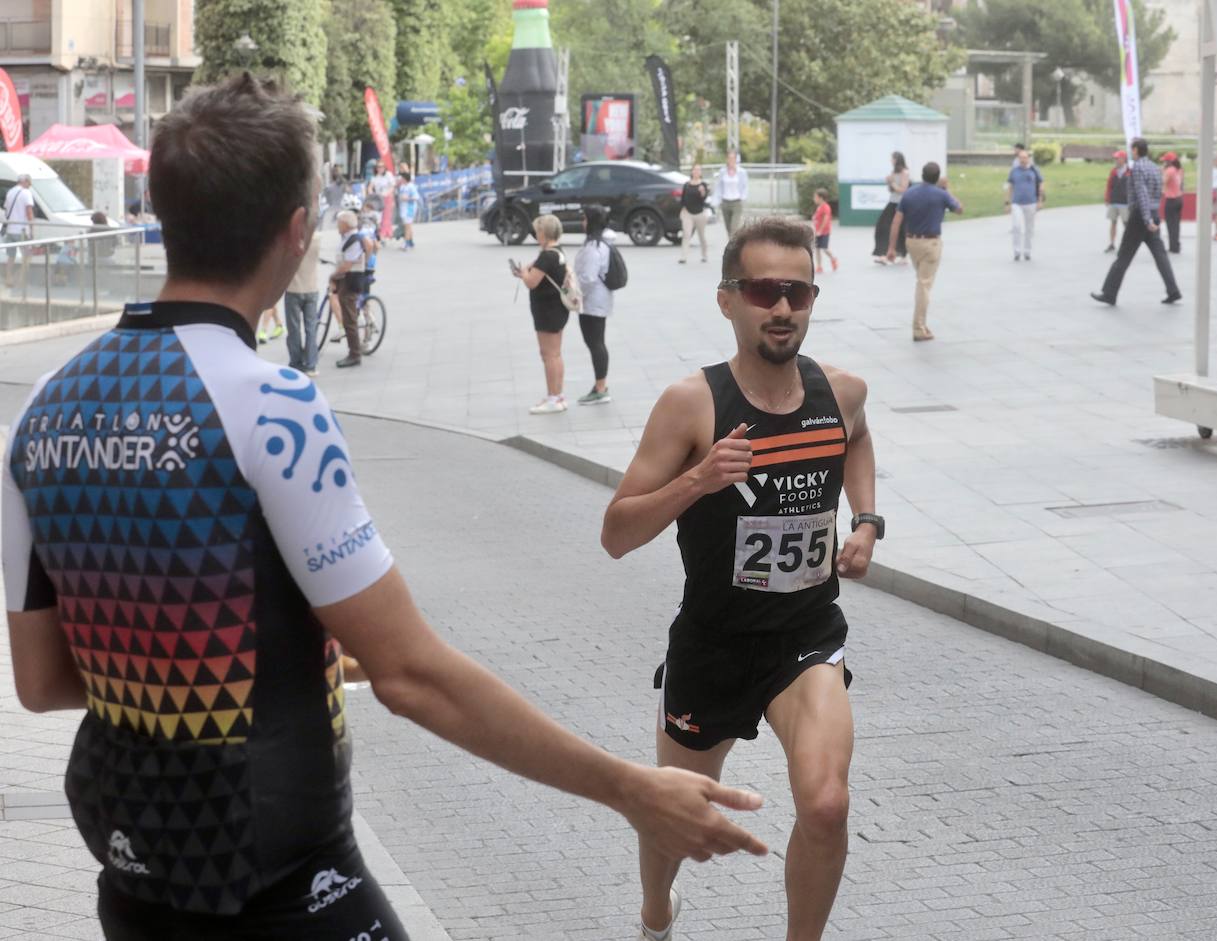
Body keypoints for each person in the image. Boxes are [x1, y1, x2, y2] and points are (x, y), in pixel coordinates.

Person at [1, 73, 766, 941]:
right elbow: (410, 675)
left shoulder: (42, 410)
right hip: (282, 875)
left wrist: (254, 660)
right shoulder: (273, 404)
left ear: (165, 212)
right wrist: (631, 787)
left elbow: (43, 681)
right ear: (296, 234)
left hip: (134, 872)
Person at [601, 216, 879, 941]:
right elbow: (617, 533)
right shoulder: (692, 403)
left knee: (825, 803)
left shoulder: (841, 391)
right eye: (763, 290)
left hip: (806, 634)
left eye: (798, 291)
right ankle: (656, 913)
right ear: (728, 300)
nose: (782, 307)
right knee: (674, 814)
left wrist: (868, 520)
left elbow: (859, 436)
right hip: (714, 642)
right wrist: (698, 479)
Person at [1092, 137, 1182, 307]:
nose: (1129, 152)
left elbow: (1141, 194)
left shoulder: (1138, 168)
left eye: (1131, 149)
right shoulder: (1155, 168)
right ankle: (1173, 290)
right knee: (1160, 255)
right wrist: (1153, 216)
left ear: (1135, 150)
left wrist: (1146, 218)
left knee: (1123, 256)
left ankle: (1109, 293)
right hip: (1153, 213)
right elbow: (1157, 193)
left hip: (1141, 216)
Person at [886, 161, 963, 341]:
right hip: (931, 244)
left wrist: (891, 247)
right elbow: (960, 209)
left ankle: (922, 324)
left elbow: (896, 221)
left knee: (922, 281)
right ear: (937, 177)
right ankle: (918, 328)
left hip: (911, 242)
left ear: (922, 174)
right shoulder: (941, 194)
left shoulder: (909, 194)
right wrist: (947, 189)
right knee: (924, 284)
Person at [513, 214, 574, 414]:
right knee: (555, 354)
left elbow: (532, 282)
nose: (535, 235)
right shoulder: (557, 252)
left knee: (548, 355)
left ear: (544, 233)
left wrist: (523, 275)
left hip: (547, 311)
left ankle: (552, 398)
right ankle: (558, 396)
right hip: (557, 309)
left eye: (537, 232)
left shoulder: (547, 256)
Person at [574, 206, 616, 405]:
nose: (582, 222)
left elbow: (588, 279)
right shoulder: (601, 243)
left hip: (592, 303)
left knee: (596, 343)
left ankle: (601, 388)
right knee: (596, 342)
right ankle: (600, 385)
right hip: (598, 301)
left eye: (584, 219)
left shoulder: (594, 247)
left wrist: (575, 294)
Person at [330, 208, 372, 368]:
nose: (337, 226)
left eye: (339, 223)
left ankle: (354, 354)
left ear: (346, 224)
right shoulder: (351, 237)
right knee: (349, 317)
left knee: (349, 319)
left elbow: (347, 264)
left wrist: (334, 275)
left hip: (350, 281)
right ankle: (353, 352)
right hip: (348, 280)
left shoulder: (354, 239)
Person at [284, 226, 323, 376]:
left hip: (293, 289)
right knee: (311, 328)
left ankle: (296, 363)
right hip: (312, 288)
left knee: (294, 329)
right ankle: (311, 364)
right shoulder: (317, 239)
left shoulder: (290, 242)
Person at [1005, 148, 1044, 262]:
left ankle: (1027, 251)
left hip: (1031, 203)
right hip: (1017, 203)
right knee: (1016, 226)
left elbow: (1040, 185)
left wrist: (1040, 201)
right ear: (1018, 159)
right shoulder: (1014, 171)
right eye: (1021, 157)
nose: (1023, 160)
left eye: (1025, 157)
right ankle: (1017, 251)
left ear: (1028, 159)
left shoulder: (1034, 170)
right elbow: (1010, 187)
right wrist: (1007, 202)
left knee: (1029, 228)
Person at [872, 152, 909, 265]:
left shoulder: (904, 172)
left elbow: (903, 189)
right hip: (892, 202)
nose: (891, 161)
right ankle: (883, 253)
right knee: (882, 227)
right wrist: (889, 183)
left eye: (892, 159)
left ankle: (902, 255)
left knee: (901, 230)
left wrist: (892, 182)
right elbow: (892, 190)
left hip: (901, 204)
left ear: (897, 159)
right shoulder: (893, 172)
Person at [2, 173, 34, 290]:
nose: (29, 186)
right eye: (29, 183)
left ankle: (8, 279)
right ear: (24, 181)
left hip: (10, 229)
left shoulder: (10, 192)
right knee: (28, 256)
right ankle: (21, 281)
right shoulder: (26, 193)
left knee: (11, 256)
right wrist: (32, 229)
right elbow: (29, 212)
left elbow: (6, 210)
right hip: (22, 230)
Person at [713, 151, 749, 237]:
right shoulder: (723, 171)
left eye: (733, 158)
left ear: (736, 159)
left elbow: (745, 186)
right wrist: (717, 200)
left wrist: (742, 197)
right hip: (725, 202)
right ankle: (731, 246)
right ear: (727, 159)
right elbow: (719, 186)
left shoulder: (741, 172)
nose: (731, 160)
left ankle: (733, 248)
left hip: (736, 202)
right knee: (728, 229)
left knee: (734, 228)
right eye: (729, 158)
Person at [679, 163, 710, 264]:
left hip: (700, 214)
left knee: (701, 235)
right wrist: (683, 209)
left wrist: (702, 192)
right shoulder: (687, 185)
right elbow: (683, 199)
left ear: (700, 172)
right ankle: (684, 256)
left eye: (698, 170)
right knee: (686, 234)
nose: (696, 172)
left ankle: (704, 255)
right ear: (692, 171)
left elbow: (704, 199)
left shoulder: (703, 185)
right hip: (688, 213)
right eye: (694, 170)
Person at [1104, 150, 1130, 253]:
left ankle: (1127, 245)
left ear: (1123, 159)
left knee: (1126, 224)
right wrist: (1107, 198)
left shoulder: (1129, 171)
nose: (1116, 160)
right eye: (1115, 158)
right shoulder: (1113, 171)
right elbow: (1109, 185)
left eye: (1117, 158)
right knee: (1113, 222)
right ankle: (1112, 243)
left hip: (1125, 202)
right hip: (1114, 201)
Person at [367, 162, 397, 241]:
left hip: (387, 198)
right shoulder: (375, 177)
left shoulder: (388, 175)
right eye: (378, 167)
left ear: (384, 167)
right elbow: (370, 187)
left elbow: (392, 186)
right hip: (378, 199)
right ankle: (380, 233)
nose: (380, 168)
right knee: (378, 217)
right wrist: (371, 193)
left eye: (382, 167)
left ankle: (384, 234)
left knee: (386, 217)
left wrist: (387, 193)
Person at [1162, 153, 1184, 254]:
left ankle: (1173, 247)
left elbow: (1163, 182)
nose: (1163, 162)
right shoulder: (1178, 170)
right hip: (1179, 198)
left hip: (1171, 199)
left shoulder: (1169, 170)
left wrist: (1163, 172)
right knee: (1176, 224)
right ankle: (1176, 245)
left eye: (1165, 161)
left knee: (1170, 224)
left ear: (1168, 162)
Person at [812, 188, 837, 273]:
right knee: (817, 249)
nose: (814, 199)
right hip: (817, 232)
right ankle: (819, 267)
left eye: (815, 197)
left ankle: (833, 259)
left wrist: (820, 231)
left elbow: (826, 220)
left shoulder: (826, 207)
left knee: (824, 248)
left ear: (821, 198)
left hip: (824, 232)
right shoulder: (819, 207)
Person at [396, 172, 420, 250]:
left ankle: (406, 243)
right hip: (403, 208)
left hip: (410, 209)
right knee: (408, 226)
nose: (400, 179)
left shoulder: (411, 186)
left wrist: (407, 198)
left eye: (402, 178)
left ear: (405, 178)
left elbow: (416, 197)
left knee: (407, 226)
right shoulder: (402, 186)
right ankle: (410, 242)